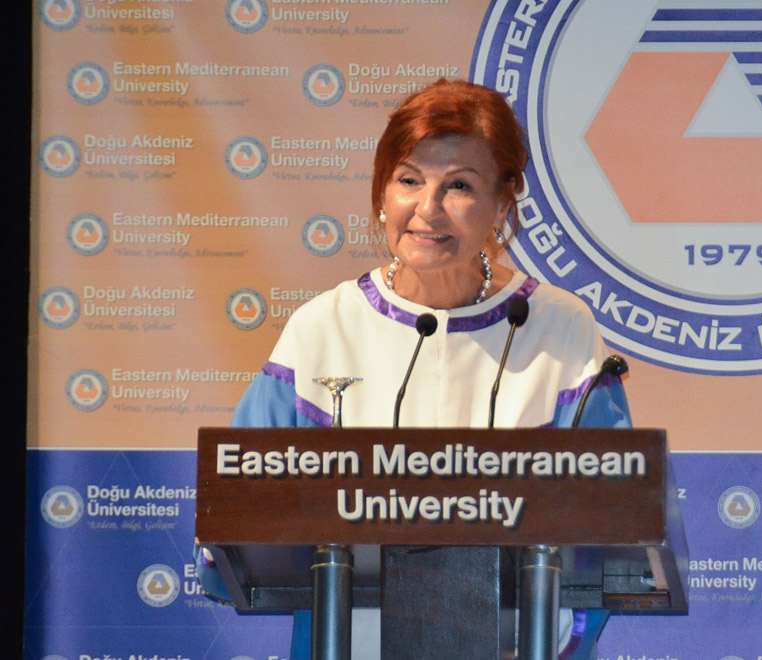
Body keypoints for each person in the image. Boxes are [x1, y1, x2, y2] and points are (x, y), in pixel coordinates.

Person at [199, 79, 630, 659]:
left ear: (502, 204)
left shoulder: (560, 327)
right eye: (408, 180)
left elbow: (613, 530)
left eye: (459, 186)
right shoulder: (324, 327)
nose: (427, 208)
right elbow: (235, 512)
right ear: (382, 192)